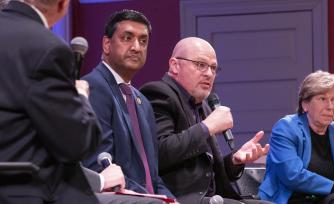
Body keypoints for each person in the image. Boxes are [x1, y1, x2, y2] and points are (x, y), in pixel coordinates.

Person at [140, 37, 272, 204]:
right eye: (201, 65)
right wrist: (207, 127)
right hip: (180, 198)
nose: (209, 73)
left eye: (213, 68)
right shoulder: (159, 93)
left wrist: (234, 160)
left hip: (212, 197)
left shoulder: (202, 105)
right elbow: (161, 153)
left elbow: (210, 173)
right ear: (175, 65)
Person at [0, 0, 101, 203]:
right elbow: (77, 143)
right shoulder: (47, 47)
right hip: (22, 189)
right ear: (63, 4)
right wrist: (81, 96)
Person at [81, 9, 175, 202]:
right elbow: (100, 165)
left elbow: (153, 177)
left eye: (143, 41)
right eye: (127, 38)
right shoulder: (93, 87)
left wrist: (171, 200)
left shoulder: (143, 102)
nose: (136, 47)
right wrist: (153, 199)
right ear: (107, 44)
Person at [258, 70, 334, 204]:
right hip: (292, 199)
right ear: (305, 104)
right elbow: (292, 175)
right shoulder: (286, 128)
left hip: (329, 199)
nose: (330, 107)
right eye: (323, 99)